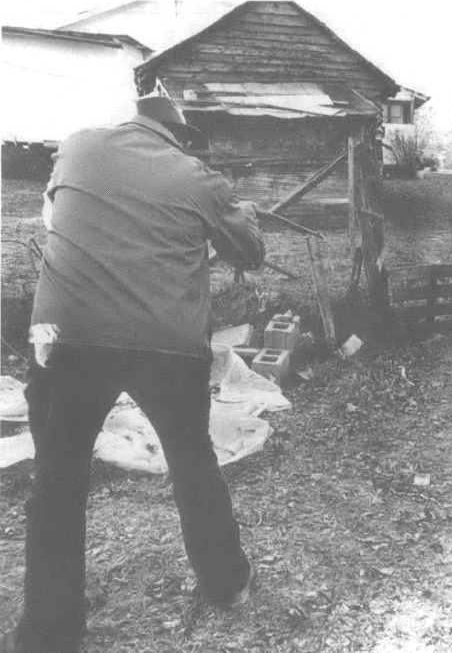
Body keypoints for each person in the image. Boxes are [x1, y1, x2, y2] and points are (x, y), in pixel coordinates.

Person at [4, 95, 266, 653]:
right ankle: (227, 585)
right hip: (165, 345)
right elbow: (249, 253)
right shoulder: (199, 178)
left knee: (55, 484)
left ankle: (49, 633)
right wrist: (244, 216)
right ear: (179, 137)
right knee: (193, 463)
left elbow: (67, 216)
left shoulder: (76, 146)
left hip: (63, 337)